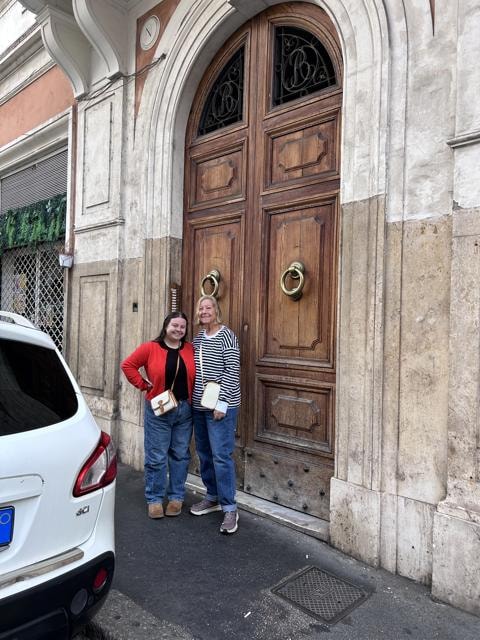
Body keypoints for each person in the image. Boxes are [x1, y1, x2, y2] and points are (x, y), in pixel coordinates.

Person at [121, 312, 195, 519]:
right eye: (175, 325)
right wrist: (143, 385)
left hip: (184, 410)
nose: (178, 330)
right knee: (157, 456)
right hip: (159, 409)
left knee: (180, 455)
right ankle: (154, 499)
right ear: (166, 326)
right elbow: (128, 365)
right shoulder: (150, 348)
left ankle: (176, 497)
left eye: (182, 327)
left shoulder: (190, 349)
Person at [190, 295, 241, 534]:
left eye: (208, 307)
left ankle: (230, 507)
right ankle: (212, 497)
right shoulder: (198, 338)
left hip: (221, 406)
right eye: (201, 308)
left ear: (216, 310)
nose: (204, 311)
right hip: (199, 406)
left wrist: (222, 402)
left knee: (221, 455)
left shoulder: (227, 335)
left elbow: (232, 370)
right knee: (204, 453)